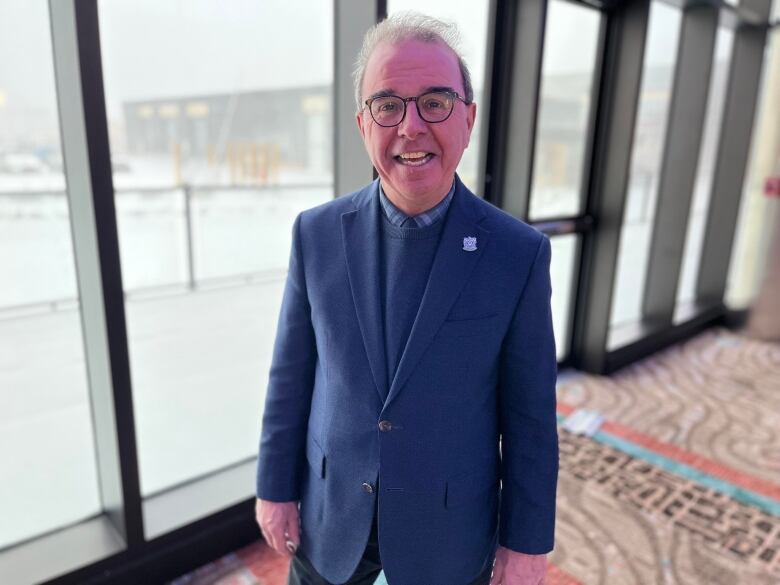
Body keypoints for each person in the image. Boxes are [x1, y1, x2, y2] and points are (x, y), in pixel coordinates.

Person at [255, 12, 558, 585]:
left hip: (448, 529)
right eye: (388, 105)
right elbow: (290, 377)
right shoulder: (315, 234)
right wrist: (274, 488)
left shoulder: (517, 254)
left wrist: (526, 543)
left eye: (436, 102)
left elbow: (530, 417)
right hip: (329, 514)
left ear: (468, 118)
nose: (411, 127)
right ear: (362, 124)